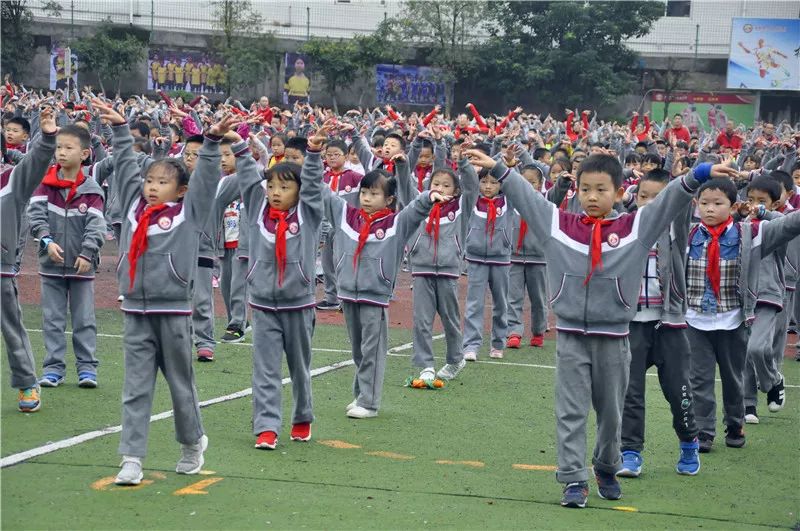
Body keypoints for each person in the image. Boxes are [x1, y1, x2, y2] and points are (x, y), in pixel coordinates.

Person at [465, 148, 732, 508]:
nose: (593, 196)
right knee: (570, 411)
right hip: (572, 337)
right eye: (586, 189)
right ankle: (573, 479)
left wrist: (698, 173)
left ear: (620, 193)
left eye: (602, 189)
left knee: (611, 413)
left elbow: (667, 202)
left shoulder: (634, 228)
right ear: (576, 190)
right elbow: (526, 198)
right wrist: (498, 167)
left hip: (615, 338)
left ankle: (606, 465)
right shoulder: (558, 225)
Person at [95, 99, 239, 486]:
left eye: (162, 182)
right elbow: (125, 168)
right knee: (135, 386)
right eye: (150, 181)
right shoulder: (132, 207)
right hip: (136, 310)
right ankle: (131, 458)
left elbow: (207, 180)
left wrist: (210, 143)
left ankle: (192, 443)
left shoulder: (188, 213)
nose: (152, 187)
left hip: (175, 310)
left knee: (180, 384)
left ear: (181, 190)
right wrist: (121, 130)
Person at [322, 158, 449, 418]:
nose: (367, 198)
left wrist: (429, 197)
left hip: (375, 296)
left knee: (372, 350)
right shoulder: (347, 217)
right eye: (364, 193)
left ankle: (369, 403)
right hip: (348, 293)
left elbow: (415, 210)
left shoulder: (395, 224)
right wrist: (311, 156)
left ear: (389, 199)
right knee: (358, 349)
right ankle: (360, 393)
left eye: (374, 194)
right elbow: (322, 192)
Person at [686, 177, 800, 454]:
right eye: (704, 203)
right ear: (695, 205)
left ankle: (735, 423)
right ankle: (704, 431)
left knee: (732, 378)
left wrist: (767, 211)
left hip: (733, 321)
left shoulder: (750, 234)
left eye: (717, 203)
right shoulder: (687, 234)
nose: (710, 209)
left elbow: (790, 224)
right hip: (695, 321)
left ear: (734, 206)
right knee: (698, 380)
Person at [239, 124, 328, 449]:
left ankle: (302, 416)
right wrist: (238, 146)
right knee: (264, 370)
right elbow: (249, 179)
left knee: (299, 368)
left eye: (284, 187)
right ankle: (266, 427)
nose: (275, 192)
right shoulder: (258, 210)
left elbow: (315, 187)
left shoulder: (308, 215)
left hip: (299, 304)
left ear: (299, 192)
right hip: (262, 305)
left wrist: (315, 155)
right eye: (272, 186)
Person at [616, 169, 700, 479]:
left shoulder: (676, 229)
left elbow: (681, 199)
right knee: (630, 393)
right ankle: (630, 452)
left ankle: (689, 440)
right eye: (643, 197)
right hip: (632, 324)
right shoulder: (625, 229)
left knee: (679, 393)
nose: (650, 204)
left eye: (658, 198)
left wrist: (696, 173)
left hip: (670, 326)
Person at [27, 124, 105, 389]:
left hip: (82, 267)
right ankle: (53, 369)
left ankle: (87, 369)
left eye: (68, 148)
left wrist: (87, 253)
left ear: (84, 154)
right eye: (58, 147)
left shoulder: (93, 190)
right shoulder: (45, 184)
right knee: (52, 319)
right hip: (51, 265)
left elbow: (96, 227)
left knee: (84, 320)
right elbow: (36, 217)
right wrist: (46, 242)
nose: (61, 153)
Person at [1, 105, 58, 413]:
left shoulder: (12, 181)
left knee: (11, 329)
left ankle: (26, 382)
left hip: (1, 270)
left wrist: (48, 136)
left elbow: (37, 162)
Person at [406, 152, 477, 383]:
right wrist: (400, 165)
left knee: (450, 318)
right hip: (421, 269)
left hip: (447, 270)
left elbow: (472, 187)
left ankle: (456, 358)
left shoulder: (460, 209)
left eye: (446, 185)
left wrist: (464, 163)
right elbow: (404, 187)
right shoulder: (420, 207)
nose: (441, 188)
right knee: (422, 320)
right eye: (436, 184)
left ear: (455, 191)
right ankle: (425, 364)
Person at [742, 175, 790, 424]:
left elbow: (786, 221)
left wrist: (763, 213)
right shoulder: (742, 225)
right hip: (741, 297)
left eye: (762, 201)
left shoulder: (774, 225)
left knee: (758, 347)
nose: (754, 205)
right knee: (745, 353)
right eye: (750, 199)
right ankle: (748, 404)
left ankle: (773, 379)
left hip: (767, 295)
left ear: (774, 204)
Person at [460, 144, 514, 361]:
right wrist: (464, 161)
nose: (489, 186)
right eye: (484, 182)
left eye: (494, 182)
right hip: (476, 258)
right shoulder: (471, 201)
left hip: (501, 259)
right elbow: (466, 181)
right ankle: (471, 345)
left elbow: (514, 184)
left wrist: (508, 164)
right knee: (474, 303)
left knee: (501, 303)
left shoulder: (508, 201)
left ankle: (498, 343)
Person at [317, 139, 362, 311]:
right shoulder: (323, 178)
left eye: (337, 154)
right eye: (329, 155)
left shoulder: (355, 177)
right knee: (327, 262)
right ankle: (331, 297)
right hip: (326, 226)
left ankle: (347, 297)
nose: (332, 158)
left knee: (344, 262)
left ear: (346, 156)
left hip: (346, 228)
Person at [506, 165, 548, 349]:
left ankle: (538, 331)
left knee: (538, 298)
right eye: (524, 182)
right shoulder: (510, 202)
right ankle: (514, 331)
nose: (528, 186)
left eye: (532, 183)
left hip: (538, 259)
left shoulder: (543, 204)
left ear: (540, 185)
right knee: (513, 297)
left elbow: (558, 193)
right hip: (513, 258)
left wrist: (563, 183)